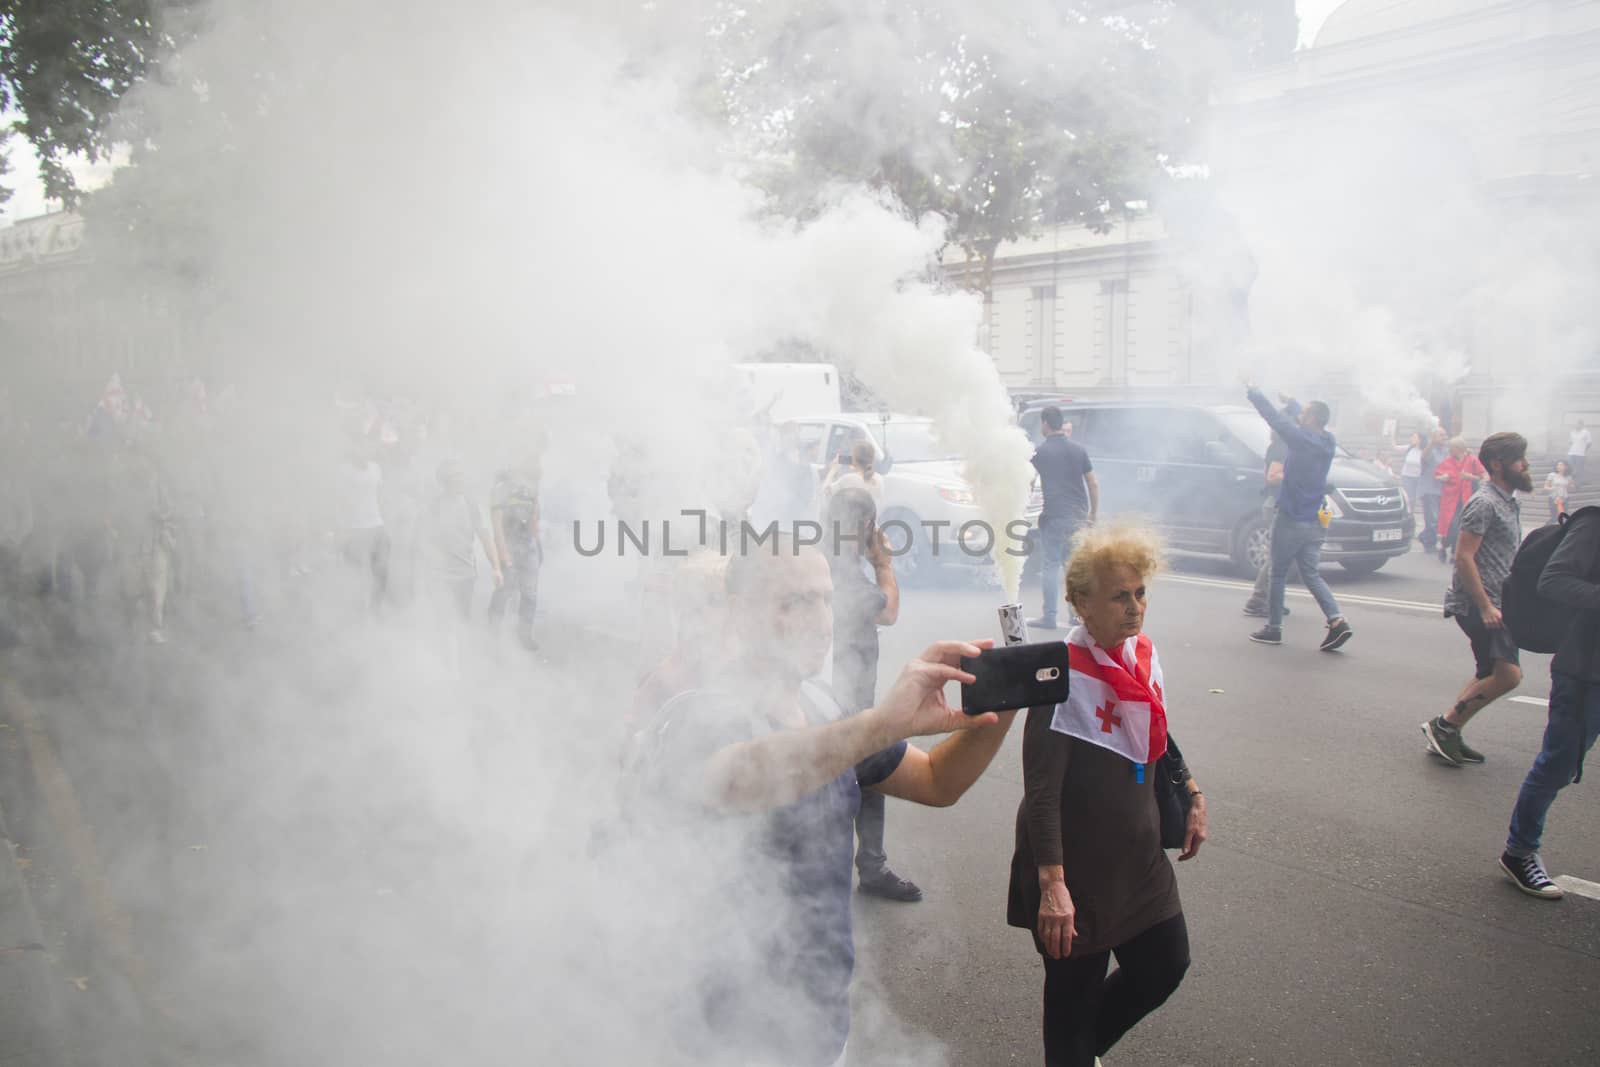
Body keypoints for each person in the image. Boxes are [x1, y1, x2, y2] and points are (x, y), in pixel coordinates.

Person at [639, 538, 1017, 1067]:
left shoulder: (823, 707)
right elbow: (744, 775)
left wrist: (998, 710)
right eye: (792, 601)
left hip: (819, 1021)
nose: (821, 620)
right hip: (722, 1033)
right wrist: (879, 722)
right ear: (739, 614)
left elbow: (936, 781)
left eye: (824, 598)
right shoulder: (693, 715)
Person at [1008, 521, 1207, 1067]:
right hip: (1078, 879)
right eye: (1120, 596)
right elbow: (1041, 792)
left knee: (1166, 964)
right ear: (1081, 604)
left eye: (1140, 593)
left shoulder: (1140, 656)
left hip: (1138, 868)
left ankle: (1078, 1052)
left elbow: (1155, 731)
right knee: (1070, 1009)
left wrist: (1189, 789)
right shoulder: (1058, 678)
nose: (1135, 607)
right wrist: (1053, 885)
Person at [1497, 504, 1600, 898]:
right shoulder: (1594, 523)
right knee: (1557, 764)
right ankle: (1519, 851)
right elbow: (1553, 580)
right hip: (1585, 672)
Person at [825, 487, 920, 901]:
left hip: (831, 692)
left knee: (854, 774)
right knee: (871, 771)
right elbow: (889, 611)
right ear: (866, 526)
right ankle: (870, 868)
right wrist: (884, 563)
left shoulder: (824, 557)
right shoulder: (845, 570)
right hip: (843, 697)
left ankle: (859, 866)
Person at [1422, 432, 1532, 767]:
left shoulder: (1508, 501)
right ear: (1498, 465)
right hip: (1479, 604)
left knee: (1488, 670)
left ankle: (1448, 730)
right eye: (1519, 459)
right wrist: (1485, 606)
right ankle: (1445, 726)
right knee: (1508, 675)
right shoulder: (1484, 503)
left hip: (1499, 602)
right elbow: (1464, 557)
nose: (1525, 465)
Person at [1244, 387, 1352, 651]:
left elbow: (1274, 419)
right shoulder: (1328, 441)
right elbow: (1305, 417)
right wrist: (1292, 403)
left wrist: (1254, 392)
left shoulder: (1301, 440)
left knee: (1278, 573)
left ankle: (1274, 628)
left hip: (1292, 517)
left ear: (1312, 419)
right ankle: (1337, 620)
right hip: (1315, 520)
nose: (1299, 415)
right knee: (1311, 574)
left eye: (1304, 413)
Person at [1028, 406, 1098, 631]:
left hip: (1054, 517)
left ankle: (1049, 616)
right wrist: (1092, 514)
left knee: (1050, 565)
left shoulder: (1040, 453)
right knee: (1072, 567)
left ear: (1045, 424)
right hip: (1077, 517)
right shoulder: (1079, 449)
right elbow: (1093, 483)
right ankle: (1076, 616)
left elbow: (1027, 481)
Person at [419, 459, 501, 621]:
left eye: (460, 475)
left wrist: (496, 567)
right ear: (443, 480)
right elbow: (424, 543)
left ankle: (462, 646)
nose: (458, 479)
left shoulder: (470, 505)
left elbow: (485, 537)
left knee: (462, 620)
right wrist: (426, 573)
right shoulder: (434, 508)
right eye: (453, 475)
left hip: (465, 575)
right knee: (444, 622)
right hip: (440, 577)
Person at [486, 457, 542, 651]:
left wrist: (538, 546)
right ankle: (492, 635)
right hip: (509, 545)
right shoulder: (500, 490)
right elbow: (497, 526)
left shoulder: (532, 489)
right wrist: (503, 555)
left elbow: (535, 520)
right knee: (504, 591)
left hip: (528, 547)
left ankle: (524, 634)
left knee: (530, 594)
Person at [1242, 432, 1290, 618]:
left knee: (1281, 555)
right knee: (1276, 555)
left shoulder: (1280, 445)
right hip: (1275, 503)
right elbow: (1272, 476)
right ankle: (1258, 599)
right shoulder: (1281, 447)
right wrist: (1297, 476)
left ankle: (1272, 600)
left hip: (1276, 502)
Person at [1435, 436, 1487, 564]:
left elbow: (1484, 477)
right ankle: (1443, 546)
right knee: (1450, 525)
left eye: (1451, 448)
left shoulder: (1472, 460)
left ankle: (1454, 552)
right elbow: (1437, 475)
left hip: (1466, 499)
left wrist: (1471, 477)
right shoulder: (1448, 461)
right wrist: (1443, 477)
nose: (1449, 450)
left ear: (1457, 449)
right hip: (1450, 500)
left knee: (1460, 527)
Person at [822, 439, 884, 511]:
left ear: (853, 459)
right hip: (873, 521)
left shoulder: (848, 479)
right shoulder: (879, 479)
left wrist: (833, 470)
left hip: (851, 521)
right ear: (872, 459)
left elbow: (826, 492)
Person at [1418, 427, 1449, 553]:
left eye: (1445, 434)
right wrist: (1431, 442)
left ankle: (1424, 536)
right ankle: (1429, 543)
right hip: (1430, 489)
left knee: (1439, 518)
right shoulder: (1430, 450)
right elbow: (1423, 457)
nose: (1445, 437)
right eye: (1441, 435)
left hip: (1442, 488)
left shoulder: (1446, 450)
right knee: (1433, 518)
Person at [1401, 431, 1425, 519]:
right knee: (1409, 497)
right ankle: (1408, 514)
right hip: (1407, 476)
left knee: (1415, 498)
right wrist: (1391, 435)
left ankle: (1411, 513)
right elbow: (1395, 447)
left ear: (1420, 439)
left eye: (1415, 437)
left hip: (1419, 477)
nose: (1412, 439)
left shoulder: (1425, 450)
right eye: (1412, 437)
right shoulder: (1409, 448)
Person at [1546, 460, 1573, 525]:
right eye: (1558, 465)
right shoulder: (1552, 475)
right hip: (1554, 498)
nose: (1559, 466)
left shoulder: (1568, 477)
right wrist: (1552, 488)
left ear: (1566, 467)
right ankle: (1547, 527)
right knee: (1554, 517)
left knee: (1564, 515)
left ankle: (1563, 529)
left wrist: (1570, 486)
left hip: (1564, 498)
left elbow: (1571, 487)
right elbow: (1546, 487)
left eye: (1561, 465)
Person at [1566, 418, 1591, 488]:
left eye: (1578, 424)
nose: (1576, 425)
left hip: (1580, 454)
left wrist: (1584, 451)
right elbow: (1570, 442)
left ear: (1581, 425)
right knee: (1569, 469)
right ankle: (1569, 484)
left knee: (1579, 470)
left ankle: (1578, 485)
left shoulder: (1586, 432)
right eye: (1575, 424)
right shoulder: (1572, 432)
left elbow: (1589, 443)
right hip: (1571, 453)